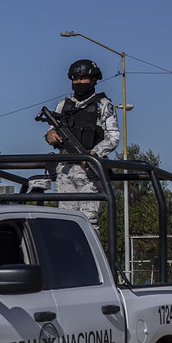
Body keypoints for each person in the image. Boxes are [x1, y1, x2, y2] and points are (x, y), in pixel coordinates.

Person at [43, 59, 120, 228]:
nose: (78, 82)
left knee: (88, 222)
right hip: (65, 169)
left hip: (90, 171)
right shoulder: (63, 104)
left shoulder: (103, 105)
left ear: (94, 80)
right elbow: (51, 131)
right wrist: (51, 135)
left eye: (83, 78)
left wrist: (94, 153)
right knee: (64, 222)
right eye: (75, 78)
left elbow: (113, 137)